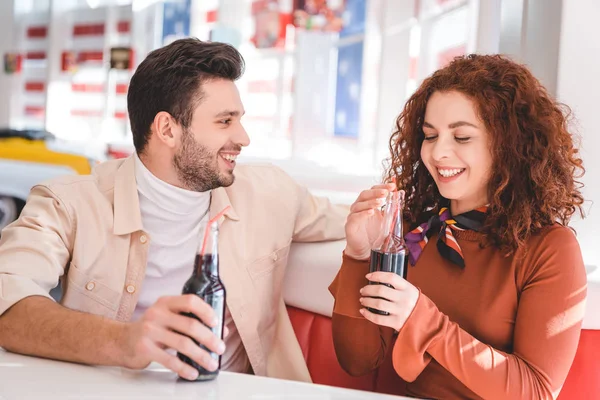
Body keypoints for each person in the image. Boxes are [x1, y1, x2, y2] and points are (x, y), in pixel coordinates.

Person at [0, 38, 348, 383]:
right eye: (225, 121)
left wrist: (379, 221)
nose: (243, 138)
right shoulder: (68, 202)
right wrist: (126, 341)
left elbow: (355, 219)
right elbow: (8, 304)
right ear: (167, 129)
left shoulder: (271, 192)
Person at [329, 54, 588, 399]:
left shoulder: (549, 248)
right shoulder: (415, 232)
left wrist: (422, 319)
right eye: (430, 135)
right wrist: (359, 254)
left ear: (510, 145)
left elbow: (536, 392)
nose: (438, 153)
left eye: (462, 138)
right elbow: (359, 362)